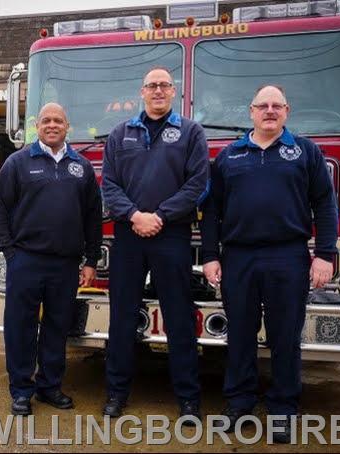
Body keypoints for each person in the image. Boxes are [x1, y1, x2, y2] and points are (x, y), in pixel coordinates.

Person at [201, 85, 338, 442]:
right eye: (263, 105)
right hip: (239, 257)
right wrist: (211, 256)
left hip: (288, 256)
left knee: (285, 337)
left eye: (277, 105)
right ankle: (239, 403)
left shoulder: (305, 152)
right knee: (241, 335)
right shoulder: (229, 157)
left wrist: (325, 254)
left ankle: (283, 409)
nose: (270, 110)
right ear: (251, 111)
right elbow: (212, 211)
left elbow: (325, 205)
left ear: (287, 111)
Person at [102, 67, 209, 422]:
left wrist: (159, 216)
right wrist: (135, 216)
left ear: (173, 91)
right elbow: (110, 187)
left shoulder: (191, 132)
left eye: (164, 85)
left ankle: (189, 399)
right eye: (152, 85)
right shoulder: (120, 134)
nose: (158, 90)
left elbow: (197, 184)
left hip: (172, 236)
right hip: (128, 237)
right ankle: (116, 393)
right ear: (142, 92)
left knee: (179, 318)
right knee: (121, 319)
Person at [0, 103, 102, 416]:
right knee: (20, 327)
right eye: (46, 120)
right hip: (25, 260)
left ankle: (50, 386)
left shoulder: (81, 166)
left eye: (59, 121)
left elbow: (93, 215)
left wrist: (91, 259)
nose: (52, 125)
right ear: (37, 125)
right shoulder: (18, 162)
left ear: (68, 126)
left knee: (57, 327)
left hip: (65, 264)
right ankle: (21, 390)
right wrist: (9, 251)